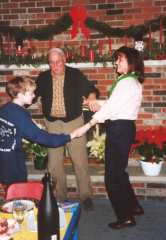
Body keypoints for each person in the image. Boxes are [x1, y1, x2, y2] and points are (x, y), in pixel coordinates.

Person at [76, 46, 145, 228]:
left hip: (119, 129)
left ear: (131, 61)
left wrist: (87, 126)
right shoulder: (132, 82)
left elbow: (111, 109)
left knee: (112, 177)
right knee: (119, 173)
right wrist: (94, 102)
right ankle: (134, 206)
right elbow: (114, 104)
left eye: (120, 59)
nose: (116, 63)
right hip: (125, 128)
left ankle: (125, 217)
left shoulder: (125, 83)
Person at [0, 76, 81, 186]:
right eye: (31, 93)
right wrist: (70, 136)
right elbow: (41, 138)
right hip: (12, 161)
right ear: (20, 95)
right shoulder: (19, 114)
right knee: (17, 191)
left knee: (9, 188)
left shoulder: (4, 109)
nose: (34, 96)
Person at [36, 48, 95, 210]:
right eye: (51, 62)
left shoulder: (75, 75)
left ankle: (86, 195)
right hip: (52, 124)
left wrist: (91, 96)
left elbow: (91, 89)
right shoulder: (43, 77)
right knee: (54, 163)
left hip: (73, 122)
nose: (55, 65)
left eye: (58, 61)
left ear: (64, 60)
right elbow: (33, 94)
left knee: (80, 160)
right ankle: (60, 196)